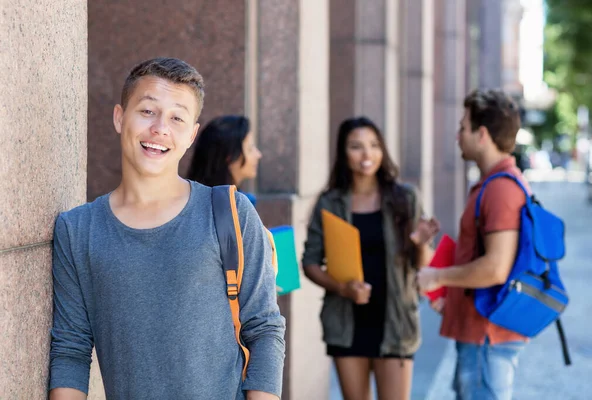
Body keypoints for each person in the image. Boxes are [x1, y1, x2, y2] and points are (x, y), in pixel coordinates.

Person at [48, 57, 285, 400]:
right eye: (147, 111)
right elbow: (71, 348)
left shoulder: (229, 211)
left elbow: (264, 328)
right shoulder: (78, 229)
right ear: (119, 117)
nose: (160, 128)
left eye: (176, 117)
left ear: (191, 135)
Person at [302, 117, 440, 400]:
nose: (367, 155)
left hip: (395, 321)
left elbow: (423, 265)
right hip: (346, 322)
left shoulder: (405, 197)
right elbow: (310, 262)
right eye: (356, 147)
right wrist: (342, 288)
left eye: (374, 145)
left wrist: (421, 243)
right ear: (343, 152)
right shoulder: (330, 202)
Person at [417, 89, 528, 400]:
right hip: (480, 333)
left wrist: (437, 277)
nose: (457, 135)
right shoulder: (491, 185)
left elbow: (495, 268)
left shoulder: (500, 190)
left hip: (486, 336)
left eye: (462, 127)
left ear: (482, 134)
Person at [187, 115, 262, 205]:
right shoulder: (196, 206)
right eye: (250, 149)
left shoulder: (244, 202)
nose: (258, 155)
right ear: (229, 157)